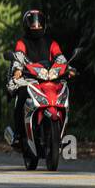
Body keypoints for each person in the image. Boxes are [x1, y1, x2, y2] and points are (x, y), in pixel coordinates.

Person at [7, 9, 67, 145]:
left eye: (39, 24)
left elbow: (60, 57)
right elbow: (19, 55)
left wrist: (68, 67)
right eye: (33, 24)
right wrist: (17, 69)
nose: (36, 26)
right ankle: (18, 134)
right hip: (30, 79)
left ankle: (62, 134)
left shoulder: (51, 42)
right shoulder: (22, 42)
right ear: (26, 25)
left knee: (64, 95)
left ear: (44, 24)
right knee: (21, 95)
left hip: (50, 78)